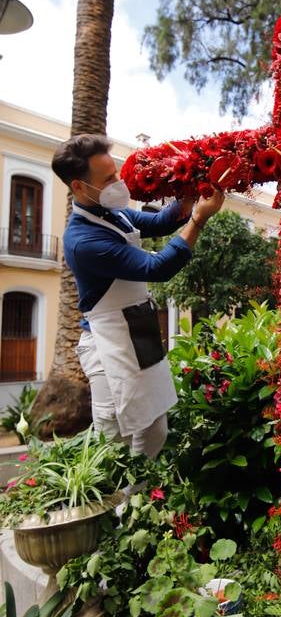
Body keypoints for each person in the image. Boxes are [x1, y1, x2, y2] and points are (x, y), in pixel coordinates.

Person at [52, 134, 224, 458]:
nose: (119, 182)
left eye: (115, 173)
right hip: (107, 342)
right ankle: (118, 502)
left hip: (137, 329)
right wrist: (199, 219)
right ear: (78, 187)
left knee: (154, 427)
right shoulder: (83, 240)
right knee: (113, 433)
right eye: (109, 178)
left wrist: (186, 200)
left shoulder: (112, 213)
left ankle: (137, 496)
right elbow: (157, 267)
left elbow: (159, 223)